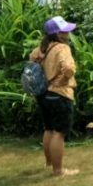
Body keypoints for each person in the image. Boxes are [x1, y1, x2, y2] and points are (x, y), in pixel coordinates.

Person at [30, 16, 79, 176]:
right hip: (60, 94)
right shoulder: (62, 49)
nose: (68, 32)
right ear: (58, 34)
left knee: (49, 129)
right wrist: (62, 80)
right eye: (65, 30)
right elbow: (69, 69)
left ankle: (49, 163)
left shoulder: (40, 49)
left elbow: (32, 61)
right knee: (59, 132)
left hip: (43, 94)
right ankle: (58, 170)